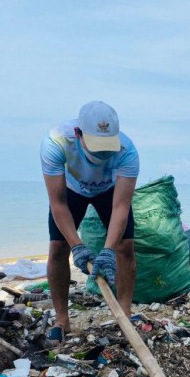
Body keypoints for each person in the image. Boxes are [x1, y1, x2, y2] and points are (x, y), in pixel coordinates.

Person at [40, 101, 139, 346]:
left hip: (109, 190)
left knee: (125, 247)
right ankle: (62, 320)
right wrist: (77, 246)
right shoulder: (56, 143)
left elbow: (121, 207)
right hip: (72, 191)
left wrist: (107, 250)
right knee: (58, 249)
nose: (102, 155)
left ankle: (124, 314)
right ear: (78, 134)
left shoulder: (128, 151)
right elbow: (58, 203)